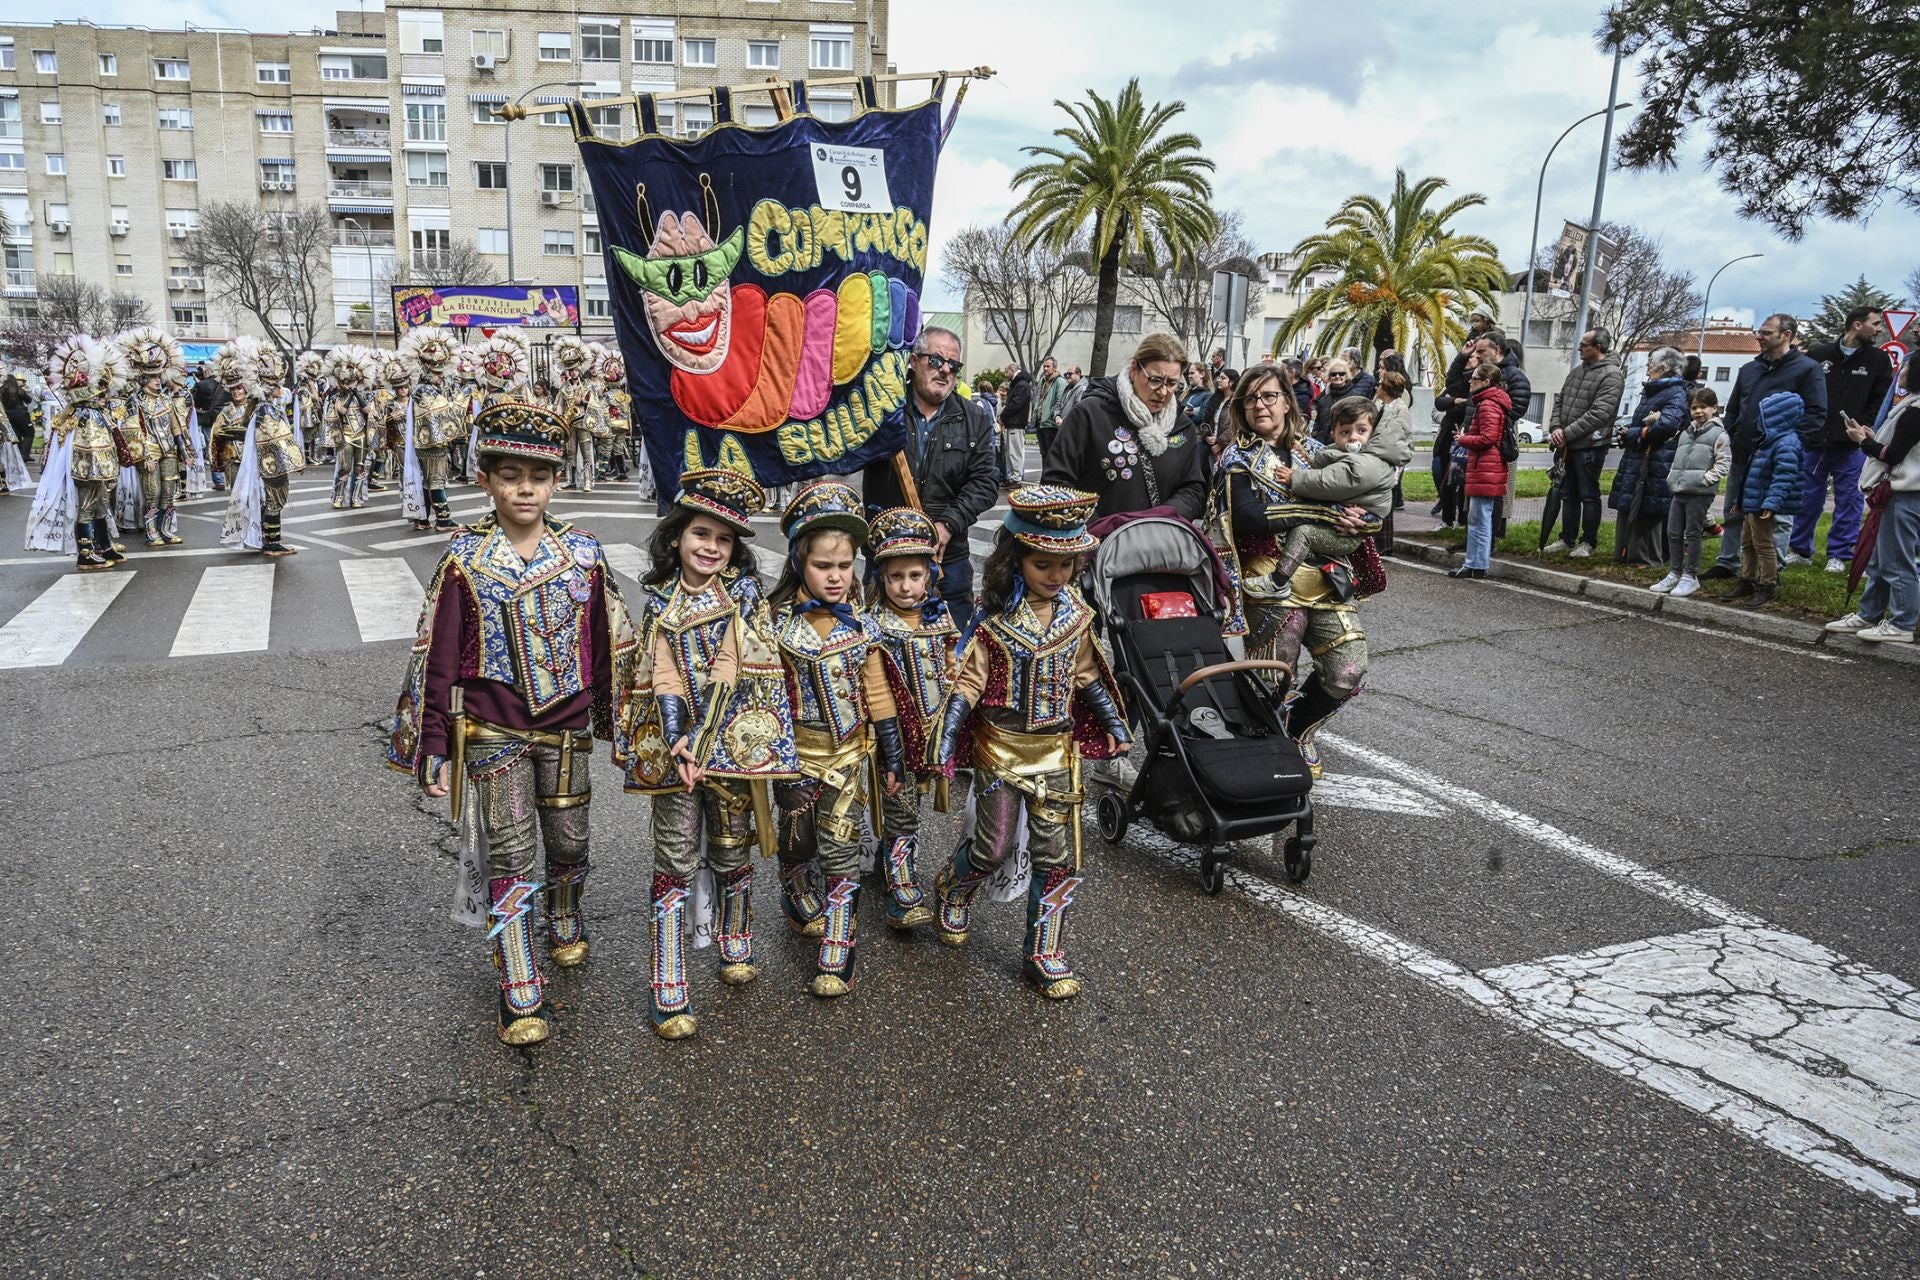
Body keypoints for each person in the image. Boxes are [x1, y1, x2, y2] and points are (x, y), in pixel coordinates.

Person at [386, 399, 637, 1047]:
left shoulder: (583, 555)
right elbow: (438, 654)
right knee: (511, 850)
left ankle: (565, 906)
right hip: (495, 732)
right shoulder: (466, 560)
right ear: (485, 480)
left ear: (557, 480)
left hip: (568, 727)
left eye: (539, 474)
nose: (525, 487)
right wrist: (435, 742)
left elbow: (607, 643)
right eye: (509, 474)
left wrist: (624, 730)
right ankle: (516, 975)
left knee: (571, 841)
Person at [928, 485, 1131, 1000]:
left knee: (1057, 855)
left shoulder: (1077, 617)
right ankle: (954, 887)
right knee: (992, 848)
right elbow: (968, 683)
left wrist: (1114, 723)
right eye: (1044, 564)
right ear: (1016, 560)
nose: (1057, 576)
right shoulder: (994, 622)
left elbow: (1087, 676)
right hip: (1001, 749)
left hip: (1057, 751)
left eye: (1067, 565)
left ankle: (1044, 949)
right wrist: (947, 734)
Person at [618, 467, 796, 1039]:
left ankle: (735, 933)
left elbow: (735, 667)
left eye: (723, 540)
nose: (711, 548)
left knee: (729, 846)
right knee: (674, 856)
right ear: (676, 537)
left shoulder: (744, 598)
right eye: (701, 535)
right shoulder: (659, 599)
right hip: (676, 754)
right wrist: (676, 737)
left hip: (733, 747)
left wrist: (705, 735)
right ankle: (668, 976)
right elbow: (662, 671)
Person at [767, 481, 907, 998]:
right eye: (823, 565)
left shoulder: (864, 628)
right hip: (795, 757)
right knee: (797, 839)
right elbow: (764, 700)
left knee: (841, 848)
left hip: (848, 755)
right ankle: (793, 882)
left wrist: (892, 752)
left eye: (844, 565)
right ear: (799, 564)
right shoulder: (775, 625)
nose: (835, 576)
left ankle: (839, 939)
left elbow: (879, 695)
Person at [861, 325, 1001, 628]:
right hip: (887, 557)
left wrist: (949, 523)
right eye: (936, 360)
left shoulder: (974, 418)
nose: (945, 370)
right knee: (882, 655)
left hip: (947, 560)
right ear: (914, 360)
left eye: (954, 365)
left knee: (954, 654)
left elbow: (986, 482)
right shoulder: (885, 410)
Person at [864, 507, 958, 931]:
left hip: (932, 733)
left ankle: (893, 863)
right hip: (892, 737)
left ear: (929, 576)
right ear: (881, 578)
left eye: (915, 576)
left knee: (912, 805)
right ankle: (900, 881)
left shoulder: (940, 619)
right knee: (899, 805)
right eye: (895, 577)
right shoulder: (873, 626)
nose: (905, 586)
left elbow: (954, 665)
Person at [1705, 314, 1826, 580]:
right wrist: (1735, 435)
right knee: (1735, 509)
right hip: (1744, 453)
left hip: (1778, 456)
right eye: (1758, 332)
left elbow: (1816, 413)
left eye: (1766, 333)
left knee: (1776, 515)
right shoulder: (1750, 369)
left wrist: (1790, 443)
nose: (1759, 337)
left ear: (1787, 335)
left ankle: (1771, 572)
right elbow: (1735, 407)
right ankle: (1728, 563)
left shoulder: (1807, 369)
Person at [1042, 332, 1209, 522]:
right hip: (1096, 545)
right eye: (1155, 380)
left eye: (1172, 383)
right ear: (1134, 369)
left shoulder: (1181, 427)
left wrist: (1161, 519)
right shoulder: (1090, 414)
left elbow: (1193, 489)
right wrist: (1104, 529)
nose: (1163, 392)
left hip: (1160, 544)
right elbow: (1056, 483)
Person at [1241, 397, 1389, 600]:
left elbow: (1329, 483)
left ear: (1287, 403)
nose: (1353, 438)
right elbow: (1243, 514)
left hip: (1334, 550)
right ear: (1334, 433)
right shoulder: (1239, 453)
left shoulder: (1360, 461)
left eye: (1270, 396)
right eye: (1345, 432)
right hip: (1263, 564)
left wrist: (1369, 521)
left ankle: (1278, 581)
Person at [1825, 359, 1920, 642]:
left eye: (1905, 369)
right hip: (1898, 493)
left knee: (1896, 561)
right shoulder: (1911, 406)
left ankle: (1902, 623)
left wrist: (1862, 441)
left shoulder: (1915, 411)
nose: (1900, 373)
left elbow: (1892, 456)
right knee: (1880, 560)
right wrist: (1871, 436)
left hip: (1903, 494)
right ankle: (1870, 613)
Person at [1794, 306, 1893, 572]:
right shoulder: (1819, 354)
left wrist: (1866, 428)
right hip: (1815, 442)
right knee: (1807, 498)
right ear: (1857, 325)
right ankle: (1800, 549)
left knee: (1848, 500)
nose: (1880, 329)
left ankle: (1839, 553)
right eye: (1875, 323)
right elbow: (1804, 394)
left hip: (1853, 445)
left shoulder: (1878, 360)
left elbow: (1880, 400)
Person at [33, 336, 122, 571]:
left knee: (101, 505)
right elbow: (86, 447)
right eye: (99, 389)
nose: (104, 395)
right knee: (87, 506)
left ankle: (103, 545)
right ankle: (85, 553)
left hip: (101, 469)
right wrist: (97, 471)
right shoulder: (82, 414)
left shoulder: (94, 412)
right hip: (87, 470)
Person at [215, 338, 304, 559]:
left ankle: (270, 541)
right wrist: (296, 461)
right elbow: (277, 439)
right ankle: (272, 543)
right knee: (274, 502)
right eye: (275, 386)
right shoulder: (266, 410)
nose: (279, 389)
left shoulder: (262, 407)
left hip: (268, 466)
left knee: (272, 502)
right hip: (271, 466)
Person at [1542, 327, 1626, 556]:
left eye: (1584, 344)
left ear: (1597, 348)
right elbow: (1560, 401)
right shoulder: (1577, 372)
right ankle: (1566, 538)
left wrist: (1566, 433)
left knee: (1588, 494)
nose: (1579, 348)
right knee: (1568, 493)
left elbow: (1599, 413)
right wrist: (1556, 428)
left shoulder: (1612, 376)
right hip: (1567, 445)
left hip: (1590, 446)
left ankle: (1588, 542)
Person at [1609, 345, 1690, 566]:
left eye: (1651, 363)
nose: (1647, 367)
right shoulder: (1654, 390)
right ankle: (1628, 553)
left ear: (1663, 368)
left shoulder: (1674, 393)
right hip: (1641, 456)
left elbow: (1667, 425)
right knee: (1634, 503)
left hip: (1655, 460)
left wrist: (1635, 433)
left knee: (1649, 507)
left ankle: (1646, 557)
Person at [1724, 391, 1806, 609]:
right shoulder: (1767, 442)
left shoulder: (1787, 444)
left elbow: (1784, 477)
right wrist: (1740, 501)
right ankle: (1747, 579)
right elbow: (1752, 476)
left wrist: (1771, 503)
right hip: (1753, 503)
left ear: (1777, 417)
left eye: (1764, 415)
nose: (1759, 420)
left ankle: (1767, 585)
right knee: (1747, 542)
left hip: (1763, 505)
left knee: (1763, 545)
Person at [113, 328, 193, 547]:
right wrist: (144, 455)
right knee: (153, 493)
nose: (158, 381)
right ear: (143, 378)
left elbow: (176, 426)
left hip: (169, 452)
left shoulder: (166, 399)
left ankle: (166, 530)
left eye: (159, 376)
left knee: (169, 492)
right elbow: (132, 431)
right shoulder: (135, 401)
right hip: (149, 454)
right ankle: (151, 532)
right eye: (152, 377)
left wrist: (184, 452)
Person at [1650, 387, 1731, 598]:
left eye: (1703, 407)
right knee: (1673, 532)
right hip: (1680, 488)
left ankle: (1690, 576)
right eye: (1694, 407)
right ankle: (1675, 572)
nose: (1698, 411)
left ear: (1714, 408)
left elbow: (1723, 463)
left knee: (1692, 534)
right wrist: (1672, 477)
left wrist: (1706, 479)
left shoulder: (1718, 434)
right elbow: (1679, 458)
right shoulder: (1687, 432)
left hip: (1700, 492)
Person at [398, 328, 464, 532]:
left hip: (426, 442)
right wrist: (463, 398)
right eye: (436, 373)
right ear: (427, 371)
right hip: (432, 443)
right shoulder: (425, 390)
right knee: (435, 481)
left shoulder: (423, 389)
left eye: (440, 372)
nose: (439, 376)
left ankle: (423, 519)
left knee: (427, 481)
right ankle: (443, 520)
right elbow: (445, 414)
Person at [1452, 361, 1512, 580]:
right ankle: (1477, 563)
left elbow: (1488, 438)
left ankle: (1476, 564)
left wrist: (1463, 439)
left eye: (1475, 378)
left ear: (1486, 382)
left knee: (1479, 519)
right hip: (1488, 466)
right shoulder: (1493, 401)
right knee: (1480, 518)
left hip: (1486, 466)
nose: (1470, 381)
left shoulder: (1487, 404)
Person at [322, 346, 377, 509]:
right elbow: (342, 410)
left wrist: (357, 394)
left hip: (361, 436)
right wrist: (350, 394)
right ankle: (338, 497)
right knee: (344, 469)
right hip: (345, 436)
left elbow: (368, 411)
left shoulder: (367, 394)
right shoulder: (337, 396)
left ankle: (356, 498)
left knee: (360, 469)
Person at [553, 335, 601, 493]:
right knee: (570, 452)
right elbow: (559, 404)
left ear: (579, 369)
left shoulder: (587, 385)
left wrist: (583, 402)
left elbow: (596, 404)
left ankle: (588, 480)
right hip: (569, 422)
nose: (572, 373)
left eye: (574, 370)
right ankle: (571, 481)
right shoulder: (564, 387)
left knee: (586, 452)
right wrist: (559, 418)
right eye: (570, 370)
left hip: (583, 421)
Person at [190, 361, 231, 490]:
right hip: (225, 418)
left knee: (212, 446)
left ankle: (219, 480)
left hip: (210, 420)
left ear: (206, 372)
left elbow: (193, 401)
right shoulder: (224, 384)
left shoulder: (202, 385)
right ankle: (226, 476)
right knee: (227, 446)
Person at [997, 363, 1032, 486]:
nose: (1005, 375)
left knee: (1014, 452)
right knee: (1011, 451)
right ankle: (1013, 477)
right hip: (1014, 423)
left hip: (1015, 423)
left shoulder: (1021, 385)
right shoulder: (1021, 384)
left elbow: (1014, 404)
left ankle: (1016, 478)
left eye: (1006, 372)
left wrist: (1002, 416)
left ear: (1012, 370)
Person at [1031, 355, 1068, 465]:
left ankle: (1051, 479)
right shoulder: (1043, 381)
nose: (1045, 368)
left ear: (1054, 367)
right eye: (1044, 366)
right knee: (1043, 452)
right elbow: (1038, 399)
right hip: (1040, 422)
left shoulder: (1060, 381)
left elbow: (1059, 401)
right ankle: (1045, 478)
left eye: (1048, 366)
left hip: (1051, 423)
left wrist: (1050, 414)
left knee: (1051, 453)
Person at [1311, 359, 1356, 442]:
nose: (1337, 376)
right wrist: (1316, 435)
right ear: (1329, 377)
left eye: (1341, 373)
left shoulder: (1354, 398)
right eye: (1333, 374)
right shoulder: (1324, 399)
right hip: (1322, 445)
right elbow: (1317, 422)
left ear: (1346, 376)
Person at [3, 371, 34, 462]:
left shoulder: (2, 390)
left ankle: (18, 454)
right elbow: (28, 400)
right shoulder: (19, 390)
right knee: (29, 433)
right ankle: (24, 454)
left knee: (17, 435)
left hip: (9, 414)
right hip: (21, 414)